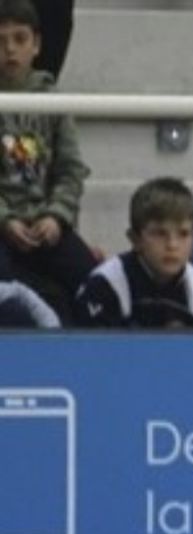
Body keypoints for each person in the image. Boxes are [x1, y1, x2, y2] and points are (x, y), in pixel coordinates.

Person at [0, 0, 93, 306]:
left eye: (20, 39)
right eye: (1, 41)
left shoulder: (54, 102)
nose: (10, 49)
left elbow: (71, 169)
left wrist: (55, 215)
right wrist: (6, 220)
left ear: (37, 44)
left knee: (93, 283)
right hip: (3, 226)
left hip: (47, 223)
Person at [74, 178, 193, 328]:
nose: (172, 245)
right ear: (135, 239)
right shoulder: (104, 285)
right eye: (160, 233)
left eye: (183, 234)